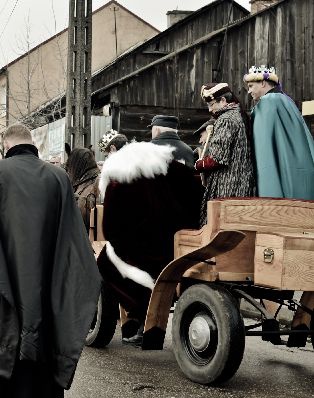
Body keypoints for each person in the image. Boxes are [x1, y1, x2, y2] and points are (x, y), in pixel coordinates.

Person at [0, 123, 100, 398]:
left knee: (5, 324)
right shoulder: (59, 177)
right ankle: (45, 396)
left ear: (5, 144)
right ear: (31, 143)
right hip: (46, 272)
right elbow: (71, 233)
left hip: (5, 270)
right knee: (45, 322)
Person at [96, 141, 202, 346]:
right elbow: (197, 198)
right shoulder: (176, 169)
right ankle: (139, 323)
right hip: (182, 244)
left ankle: (137, 317)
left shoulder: (120, 175)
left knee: (106, 264)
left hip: (142, 249)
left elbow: (110, 225)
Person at [244, 65, 314, 199]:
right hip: (299, 174)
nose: (249, 91)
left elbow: (264, 150)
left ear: (263, 83)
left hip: (278, 184)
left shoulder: (267, 102)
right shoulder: (286, 100)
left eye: (251, 86)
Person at [196, 83, 256, 225]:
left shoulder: (226, 120)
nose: (210, 109)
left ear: (223, 101)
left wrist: (200, 164)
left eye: (211, 104)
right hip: (241, 182)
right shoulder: (238, 115)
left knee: (219, 226)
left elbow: (217, 158)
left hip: (227, 185)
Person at [65, 147, 100, 232]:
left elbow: (94, 213)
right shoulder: (82, 181)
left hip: (90, 237)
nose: (68, 170)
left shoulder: (97, 182)